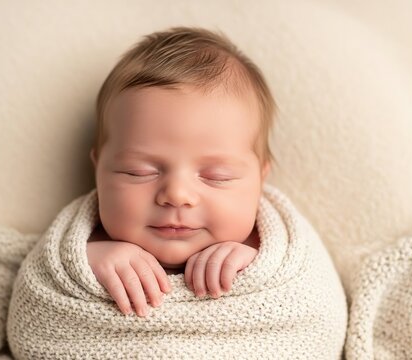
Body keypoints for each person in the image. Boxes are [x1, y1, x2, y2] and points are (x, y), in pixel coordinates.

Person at [86, 26, 275, 317]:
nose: (177, 195)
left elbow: (317, 314)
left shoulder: (271, 255)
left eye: (217, 176)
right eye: (138, 172)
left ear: (260, 180)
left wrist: (259, 268)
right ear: (99, 170)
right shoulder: (85, 248)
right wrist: (85, 261)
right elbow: (31, 315)